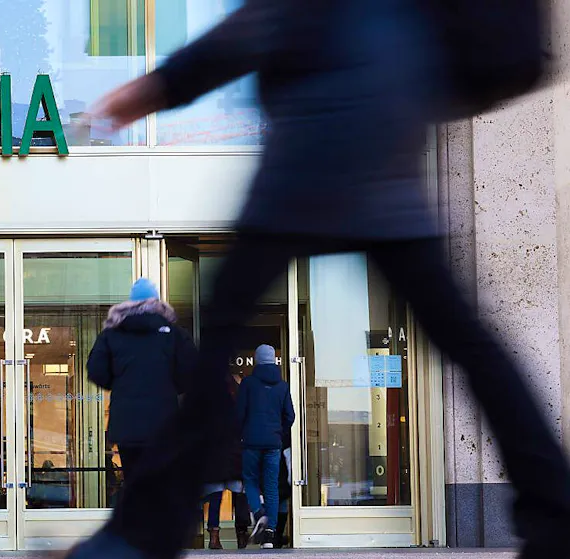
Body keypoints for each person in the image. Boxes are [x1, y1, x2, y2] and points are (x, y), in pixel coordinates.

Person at [66, 0, 570, 557]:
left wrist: (142, 93)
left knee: (219, 342)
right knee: (470, 342)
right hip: (388, 136)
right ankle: (555, 513)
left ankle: (140, 534)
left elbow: (251, 30)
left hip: (313, 146)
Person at [87, 278, 197, 484]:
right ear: (157, 303)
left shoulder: (111, 334)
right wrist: (170, 387)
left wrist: (119, 385)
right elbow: (191, 372)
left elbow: (95, 370)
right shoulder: (174, 334)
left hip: (127, 423)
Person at [236, 345, 294, 548]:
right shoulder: (283, 386)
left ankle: (259, 513)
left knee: (250, 480)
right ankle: (270, 535)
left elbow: (239, 414)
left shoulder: (248, 383)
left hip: (251, 441)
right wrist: (278, 433)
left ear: (257, 360)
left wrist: (241, 433)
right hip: (273, 443)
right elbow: (290, 416)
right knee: (271, 487)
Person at [201, 368, 250, 550]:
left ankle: (214, 536)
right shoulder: (238, 401)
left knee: (215, 496)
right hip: (236, 454)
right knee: (240, 496)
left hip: (214, 457)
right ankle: (242, 536)